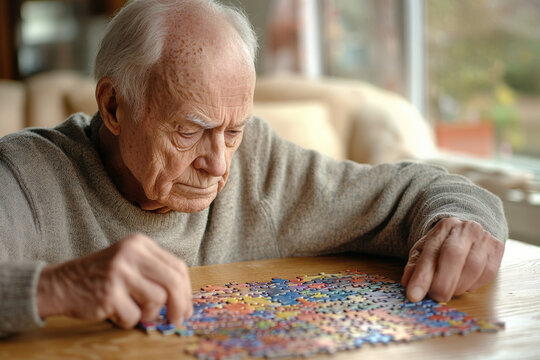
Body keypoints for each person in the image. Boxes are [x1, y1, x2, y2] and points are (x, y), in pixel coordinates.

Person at [0, 0, 506, 336]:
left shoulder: (259, 167)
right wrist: (54, 287)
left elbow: (420, 191)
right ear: (113, 108)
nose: (219, 163)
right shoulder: (26, 176)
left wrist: (463, 224)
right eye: (189, 130)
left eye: (233, 130)